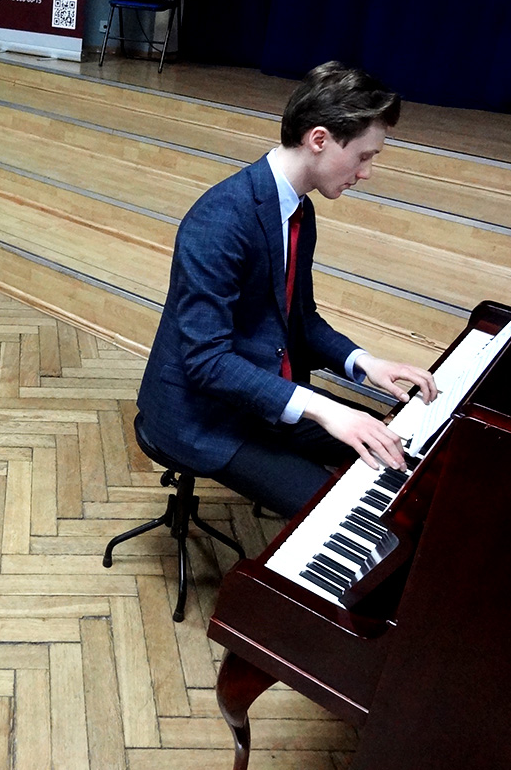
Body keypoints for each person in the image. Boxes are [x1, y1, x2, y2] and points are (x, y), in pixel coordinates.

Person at [136, 61, 438, 519]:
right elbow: (206, 361)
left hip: (263, 395)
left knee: (393, 446)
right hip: (202, 417)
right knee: (338, 513)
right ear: (319, 139)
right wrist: (324, 409)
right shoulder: (220, 220)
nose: (367, 172)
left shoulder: (298, 210)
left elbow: (301, 320)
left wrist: (365, 362)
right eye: (363, 156)